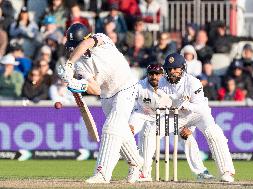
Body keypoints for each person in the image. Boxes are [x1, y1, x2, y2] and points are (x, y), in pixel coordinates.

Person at [57, 23, 143, 184]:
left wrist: (68, 64)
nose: (73, 49)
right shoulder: (80, 64)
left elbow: (86, 44)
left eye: (75, 45)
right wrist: (75, 82)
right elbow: (95, 89)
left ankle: (103, 173)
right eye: (71, 47)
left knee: (111, 128)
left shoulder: (101, 39)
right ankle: (137, 164)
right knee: (121, 134)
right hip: (107, 96)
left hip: (126, 88)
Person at [144, 52, 235, 182]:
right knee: (152, 131)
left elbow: (201, 108)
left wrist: (189, 123)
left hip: (198, 114)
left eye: (176, 68)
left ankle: (227, 172)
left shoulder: (193, 82)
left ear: (182, 68)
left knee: (213, 133)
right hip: (176, 116)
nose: (172, 72)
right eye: (169, 69)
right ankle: (144, 171)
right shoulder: (161, 83)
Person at [129, 63, 213, 181]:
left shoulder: (169, 84)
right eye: (151, 74)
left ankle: (201, 171)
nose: (154, 77)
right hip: (144, 114)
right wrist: (130, 123)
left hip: (168, 117)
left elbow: (191, 110)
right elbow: (130, 103)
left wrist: (190, 128)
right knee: (142, 134)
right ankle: (144, 172)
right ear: (147, 75)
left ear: (162, 74)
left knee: (186, 138)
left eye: (157, 74)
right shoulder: (140, 85)